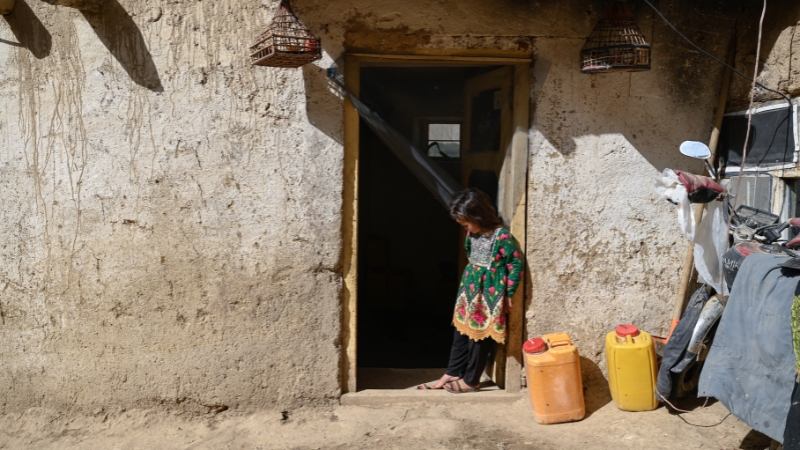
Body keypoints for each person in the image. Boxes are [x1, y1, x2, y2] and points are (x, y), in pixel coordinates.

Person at [418, 188, 524, 393]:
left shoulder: (501, 236)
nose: (464, 227)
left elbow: (515, 265)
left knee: (478, 335)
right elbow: (469, 252)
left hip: (488, 294)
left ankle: (471, 379)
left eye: (466, 223)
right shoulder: (471, 234)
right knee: (460, 332)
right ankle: (453, 371)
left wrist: (509, 294)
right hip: (469, 290)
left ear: (479, 216)